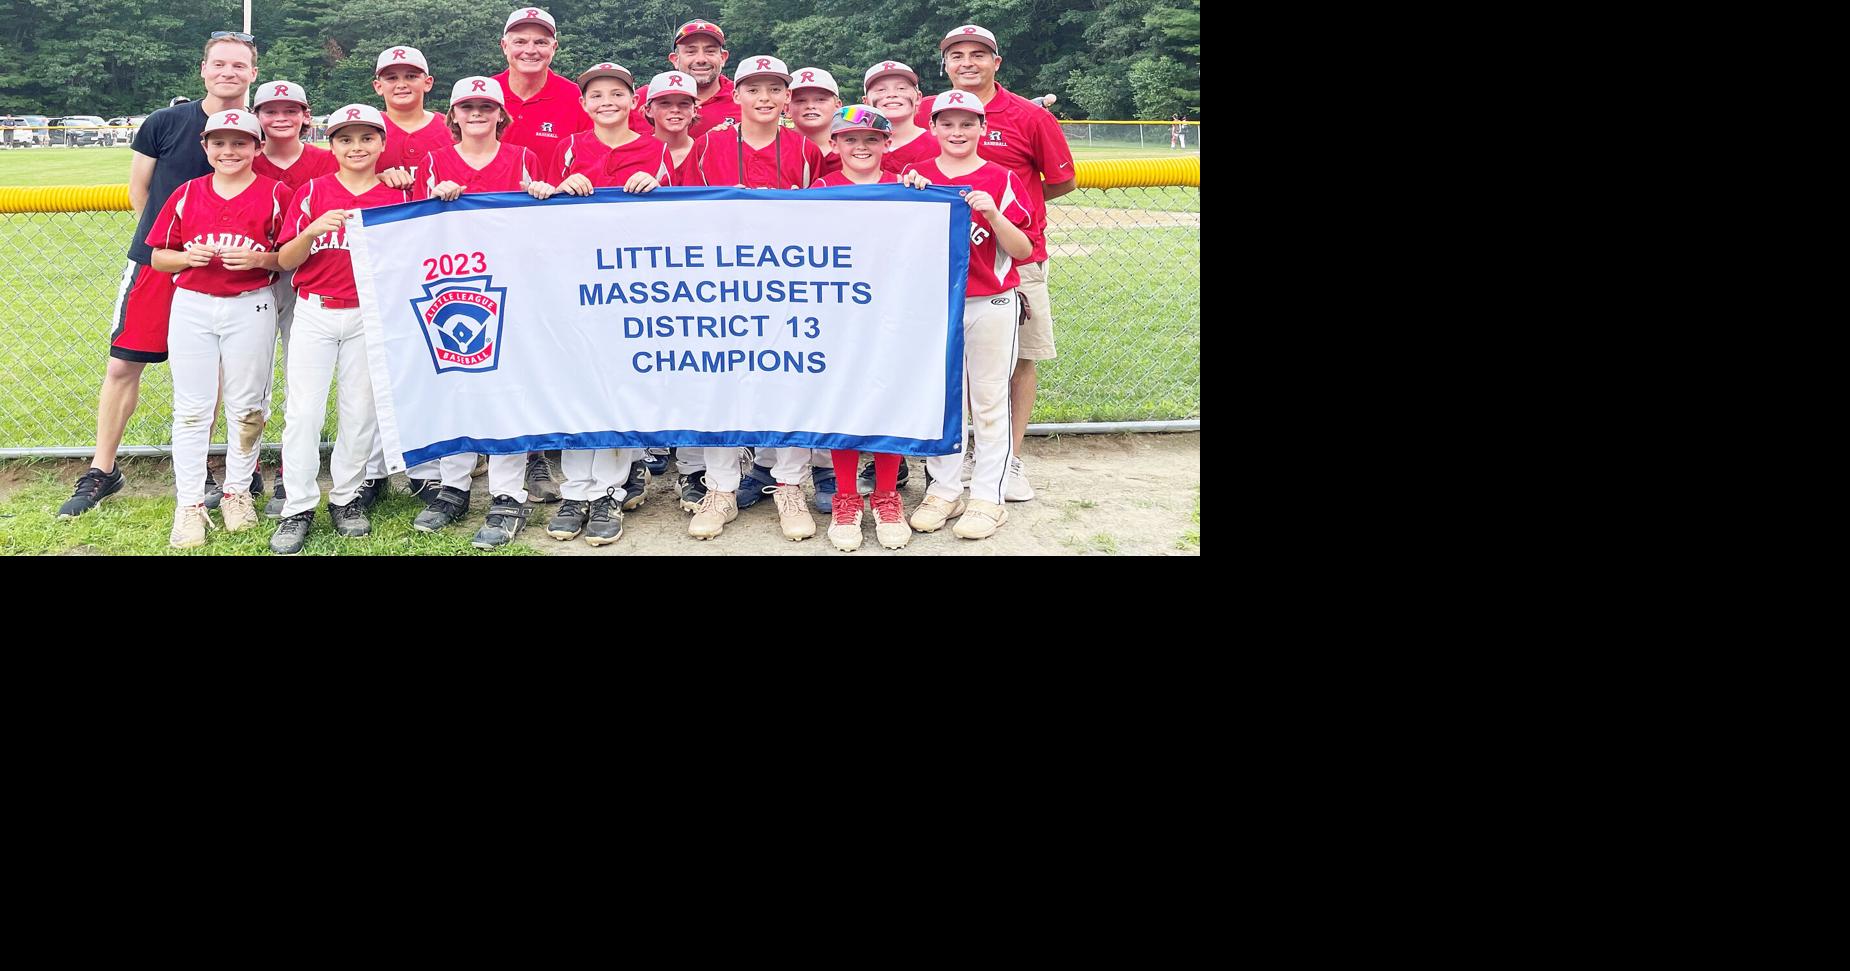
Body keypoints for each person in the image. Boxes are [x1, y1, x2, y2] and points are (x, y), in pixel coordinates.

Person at [58, 33, 258, 520]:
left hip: (223, 273)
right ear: (203, 69)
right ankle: (102, 470)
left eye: (239, 65)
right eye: (219, 64)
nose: (228, 72)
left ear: (253, 72)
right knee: (124, 365)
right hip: (157, 263)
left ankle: (206, 470)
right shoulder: (167, 121)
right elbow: (140, 190)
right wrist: (168, 246)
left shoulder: (257, 129)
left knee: (210, 378)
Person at [917, 25, 1076, 502]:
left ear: (996, 62)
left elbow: (1063, 180)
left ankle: (1010, 460)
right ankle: (960, 458)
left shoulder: (1028, 114)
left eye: (979, 54)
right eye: (957, 55)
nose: (968, 63)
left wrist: (1008, 209)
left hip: (1012, 255)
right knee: (950, 366)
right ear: (944, 64)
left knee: (1019, 359)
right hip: (943, 261)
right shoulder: (930, 112)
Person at [405, 76, 556, 549]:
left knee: (508, 388)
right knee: (455, 383)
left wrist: (541, 196)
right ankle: (454, 485)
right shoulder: (434, 161)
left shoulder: (522, 159)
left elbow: (543, 222)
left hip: (510, 286)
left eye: (486, 108)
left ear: (500, 115)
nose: (476, 115)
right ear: (452, 115)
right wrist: (435, 195)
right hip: (450, 286)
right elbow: (411, 225)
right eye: (467, 107)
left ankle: (508, 494)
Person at [689, 54, 826, 542]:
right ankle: (721, 487)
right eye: (753, 89)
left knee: (789, 378)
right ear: (737, 94)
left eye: (774, 89)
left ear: (788, 96)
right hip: (722, 285)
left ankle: (790, 484)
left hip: (788, 286)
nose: (764, 98)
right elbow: (684, 215)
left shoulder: (807, 151)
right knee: (722, 381)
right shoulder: (709, 145)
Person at [145, 108, 290, 548]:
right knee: (192, 409)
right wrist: (187, 257)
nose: (230, 150)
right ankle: (188, 504)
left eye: (241, 142)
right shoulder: (188, 193)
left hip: (252, 306)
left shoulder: (276, 193)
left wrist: (261, 259)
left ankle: (237, 493)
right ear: (205, 147)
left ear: (257, 148)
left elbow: (289, 256)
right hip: (192, 306)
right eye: (220, 143)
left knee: (247, 408)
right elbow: (157, 256)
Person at [268, 105, 409, 554]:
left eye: (367, 138)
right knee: (304, 413)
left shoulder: (396, 195)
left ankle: (347, 497)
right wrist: (310, 231)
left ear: (382, 145)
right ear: (331, 145)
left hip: (370, 316)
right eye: (345, 139)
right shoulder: (312, 191)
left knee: (360, 411)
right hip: (315, 310)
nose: (356, 147)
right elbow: (286, 261)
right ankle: (299, 504)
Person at [544, 61, 672, 548]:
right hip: (578, 281)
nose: (607, 102)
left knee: (620, 385)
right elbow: (540, 211)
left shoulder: (657, 149)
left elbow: (684, 217)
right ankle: (576, 490)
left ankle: (609, 492)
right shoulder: (567, 147)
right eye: (596, 94)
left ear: (634, 99)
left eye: (617, 93)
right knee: (580, 385)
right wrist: (561, 188)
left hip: (633, 285)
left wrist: (655, 187)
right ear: (583, 103)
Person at [900, 91, 1033, 541]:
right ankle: (944, 489)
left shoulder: (1000, 177)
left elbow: (1023, 250)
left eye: (967, 124)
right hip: (936, 305)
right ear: (933, 127)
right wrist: (912, 198)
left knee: (990, 401)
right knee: (944, 400)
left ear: (982, 128)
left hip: (990, 301)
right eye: (948, 124)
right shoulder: (917, 178)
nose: (958, 133)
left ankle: (988, 497)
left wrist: (993, 213)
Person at [809, 106, 925, 552]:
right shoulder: (821, 188)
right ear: (834, 144)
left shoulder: (904, 187)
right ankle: (845, 496)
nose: (861, 147)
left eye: (872, 139)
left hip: (892, 313)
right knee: (845, 400)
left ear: (887, 144)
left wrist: (921, 192)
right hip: (840, 314)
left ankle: (886, 495)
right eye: (851, 139)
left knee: (887, 398)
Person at [249, 80, 337, 517]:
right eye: (269, 110)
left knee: (300, 382)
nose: (280, 117)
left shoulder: (327, 159)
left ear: (306, 114)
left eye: (290, 109)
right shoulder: (246, 156)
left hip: (310, 279)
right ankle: (244, 471)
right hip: (255, 279)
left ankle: (290, 472)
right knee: (252, 381)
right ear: (257, 116)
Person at [627, 19, 738, 140]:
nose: (701, 59)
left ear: (723, 58)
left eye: (710, 51)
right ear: (675, 59)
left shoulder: (744, 98)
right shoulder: (642, 99)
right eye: (691, 52)